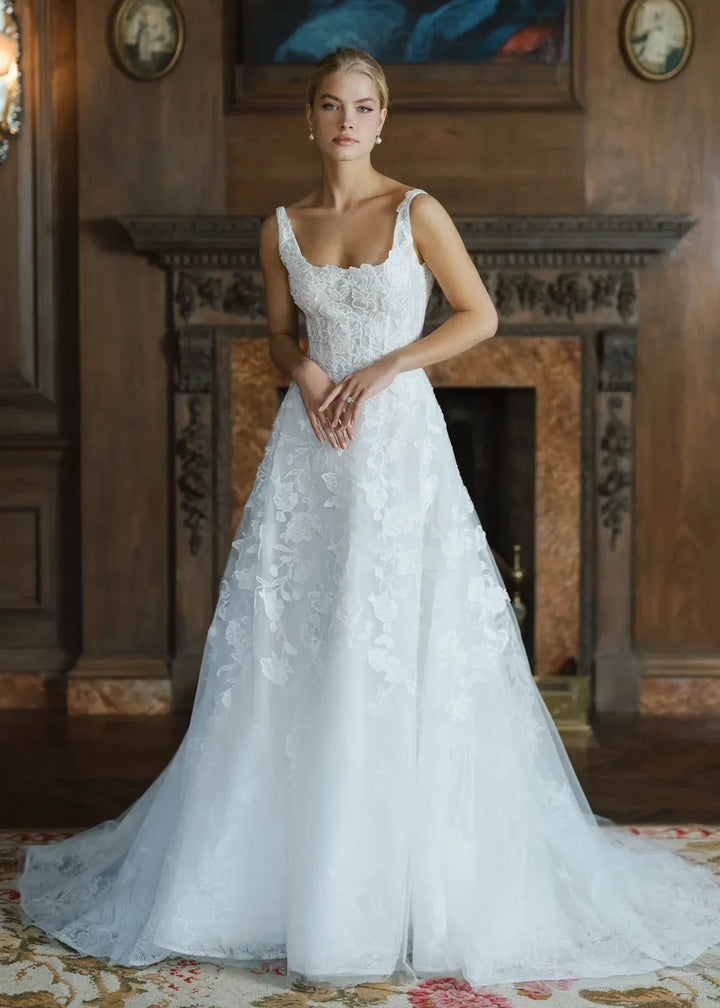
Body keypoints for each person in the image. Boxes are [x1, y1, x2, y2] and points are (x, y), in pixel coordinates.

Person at [15, 46, 720, 992]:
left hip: (398, 450)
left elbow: (481, 316)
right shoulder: (281, 227)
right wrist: (304, 370)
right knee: (299, 643)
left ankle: (405, 876)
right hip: (312, 456)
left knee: (398, 640)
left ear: (382, 120)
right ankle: (282, 871)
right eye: (330, 105)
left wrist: (387, 366)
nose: (347, 121)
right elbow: (275, 334)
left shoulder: (417, 210)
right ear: (308, 120)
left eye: (363, 106)